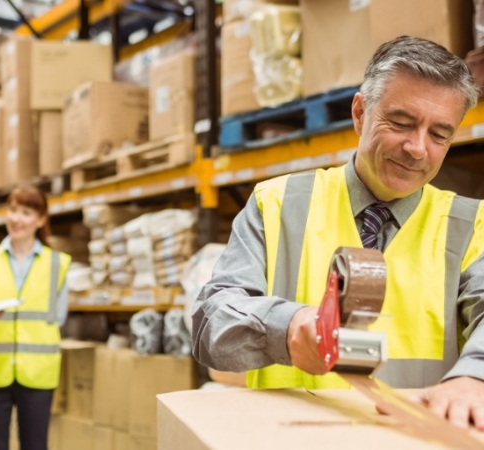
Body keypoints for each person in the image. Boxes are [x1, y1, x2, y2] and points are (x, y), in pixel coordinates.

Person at [192, 35, 484, 430]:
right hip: (290, 439)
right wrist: (288, 326)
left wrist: (475, 376)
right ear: (360, 113)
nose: (417, 148)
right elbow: (212, 323)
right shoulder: (276, 204)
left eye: (439, 135)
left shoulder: (472, 226)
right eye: (401, 123)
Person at [0, 186, 71, 450]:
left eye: (26, 212)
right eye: (13, 210)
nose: (16, 218)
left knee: (35, 445)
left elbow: (58, 316)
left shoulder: (56, 263)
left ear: (41, 220)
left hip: (38, 373)